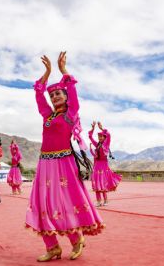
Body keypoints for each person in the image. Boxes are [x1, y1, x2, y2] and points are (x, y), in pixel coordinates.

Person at [25, 52, 104, 262]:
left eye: (58, 94)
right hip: (45, 164)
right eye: (52, 96)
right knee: (43, 205)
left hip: (64, 164)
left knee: (64, 204)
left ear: (66, 96)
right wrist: (47, 73)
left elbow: (73, 91)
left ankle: (76, 241)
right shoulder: (47, 115)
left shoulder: (70, 115)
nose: (54, 97)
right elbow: (38, 94)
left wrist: (63, 71)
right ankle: (52, 248)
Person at [89, 121, 121, 206]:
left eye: (101, 136)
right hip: (97, 166)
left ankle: (106, 200)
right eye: (98, 136)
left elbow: (109, 135)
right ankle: (99, 201)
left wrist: (101, 128)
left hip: (103, 165)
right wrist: (92, 129)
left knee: (102, 182)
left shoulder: (106, 144)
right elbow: (90, 137)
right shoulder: (97, 145)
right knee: (96, 183)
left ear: (104, 137)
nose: (99, 138)